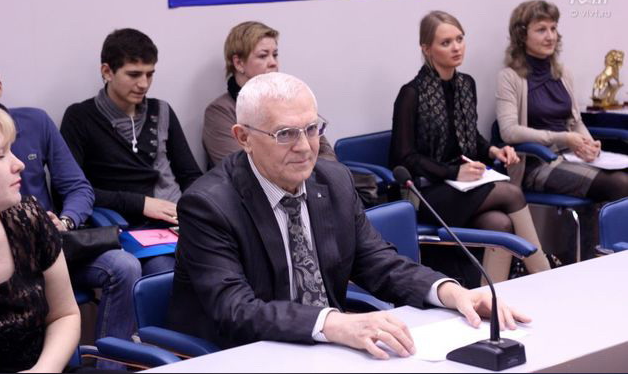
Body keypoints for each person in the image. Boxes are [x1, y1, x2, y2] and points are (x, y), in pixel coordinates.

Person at [169, 72, 530, 359]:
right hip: (244, 355)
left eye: (312, 129)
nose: (305, 147)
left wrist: (451, 292)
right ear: (243, 137)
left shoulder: (333, 181)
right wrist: (335, 324)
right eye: (285, 134)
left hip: (323, 351)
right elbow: (236, 310)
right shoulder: (209, 205)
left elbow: (378, 263)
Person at [389, 11, 551, 284]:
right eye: (446, 42)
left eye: (460, 39)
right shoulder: (411, 93)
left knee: (500, 224)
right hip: (425, 192)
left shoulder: (466, 84)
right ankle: (544, 275)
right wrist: (453, 172)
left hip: (462, 187)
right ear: (426, 49)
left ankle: (490, 297)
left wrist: (493, 151)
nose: (456, 47)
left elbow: (469, 136)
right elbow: (402, 157)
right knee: (510, 192)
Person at [0, 71, 141, 370]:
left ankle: (110, 365)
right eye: (1, 155)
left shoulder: (36, 122)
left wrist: (65, 221)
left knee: (124, 266)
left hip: (51, 238)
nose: (18, 164)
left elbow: (78, 187)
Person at [61, 28, 203, 274]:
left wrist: (192, 208)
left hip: (177, 221)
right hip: (127, 226)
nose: (144, 84)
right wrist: (141, 203)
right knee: (166, 272)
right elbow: (73, 191)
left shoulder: (162, 110)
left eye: (150, 74)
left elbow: (190, 175)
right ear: (107, 72)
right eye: (134, 74)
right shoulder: (80, 117)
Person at [496, 0, 628, 259]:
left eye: (553, 28)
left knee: (619, 180)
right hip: (538, 164)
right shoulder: (509, 77)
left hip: (572, 158)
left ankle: (606, 256)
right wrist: (565, 138)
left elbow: (575, 121)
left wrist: (589, 144)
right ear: (522, 34)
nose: (550, 36)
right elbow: (509, 131)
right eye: (541, 29)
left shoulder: (562, 73)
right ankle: (608, 259)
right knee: (620, 184)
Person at [0, 107, 81, 372]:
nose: (19, 164)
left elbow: (64, 314)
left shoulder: (29, 218)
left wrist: (43, 370)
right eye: (0, 155)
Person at [202, 21, 336, 165]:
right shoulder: (221, 112)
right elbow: (236, 167)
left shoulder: (291, 100)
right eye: (263, 56)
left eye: (275, 55)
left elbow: (327, 155)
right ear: (239, 63)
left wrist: (309, 171)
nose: (273, 62)